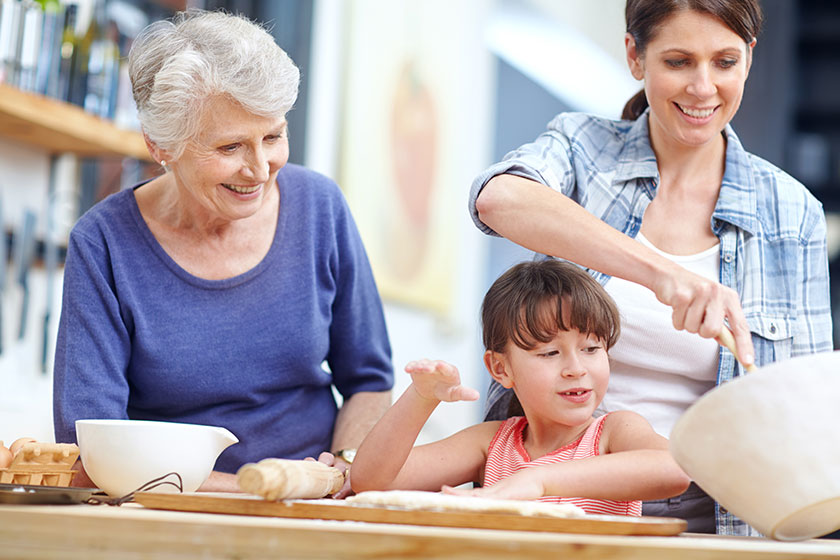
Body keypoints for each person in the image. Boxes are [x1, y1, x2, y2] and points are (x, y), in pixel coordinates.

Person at [468, 0, 832, 535]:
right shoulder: (582, 148)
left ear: (749, 60)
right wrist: (662, 274)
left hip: (715, 520)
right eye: (679, 62)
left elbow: (808, 414)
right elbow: (497, 200)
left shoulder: (792, 212)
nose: (703, 88)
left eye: (725, 62)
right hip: (556, 504)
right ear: (636, 56)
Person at [52, 10, 394, 494]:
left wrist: (343, 465)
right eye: (232, 146)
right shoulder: (103, 243)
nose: (259, 169)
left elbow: (370, 380)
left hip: (315, 502)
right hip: (167, 509)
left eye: (273, 136)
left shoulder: (320, 207)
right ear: (161, 145)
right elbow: (93, 444)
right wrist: (255, 490)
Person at [351, 260, 690, 514]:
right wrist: (421, 398)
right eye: (550, 353)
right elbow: (373, 481)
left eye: (591, 349)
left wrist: (538, 480)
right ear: (501, 368)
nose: (576, 369)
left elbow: (675, 469)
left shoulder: (613, 433)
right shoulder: (491, 443)